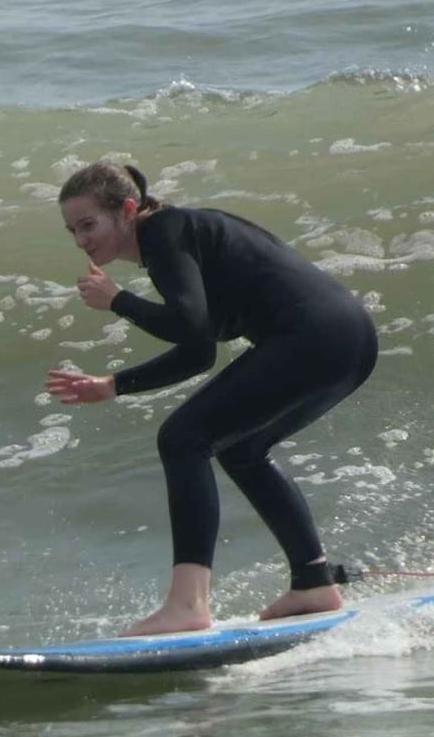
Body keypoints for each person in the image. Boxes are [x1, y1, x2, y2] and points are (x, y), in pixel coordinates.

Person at [45, 162, 378, 635]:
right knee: (241, 450)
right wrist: (113, 385)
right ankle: (313, 582)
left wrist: (117, 300)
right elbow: (197, 352)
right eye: (72, 231)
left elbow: (188, 324)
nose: (81, 240)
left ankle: (188, 604)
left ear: (128, 210)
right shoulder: (172, 239)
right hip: (348, 339)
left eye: (88, 225)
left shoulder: (164, 232)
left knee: (182, 438)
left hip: (315, 335)